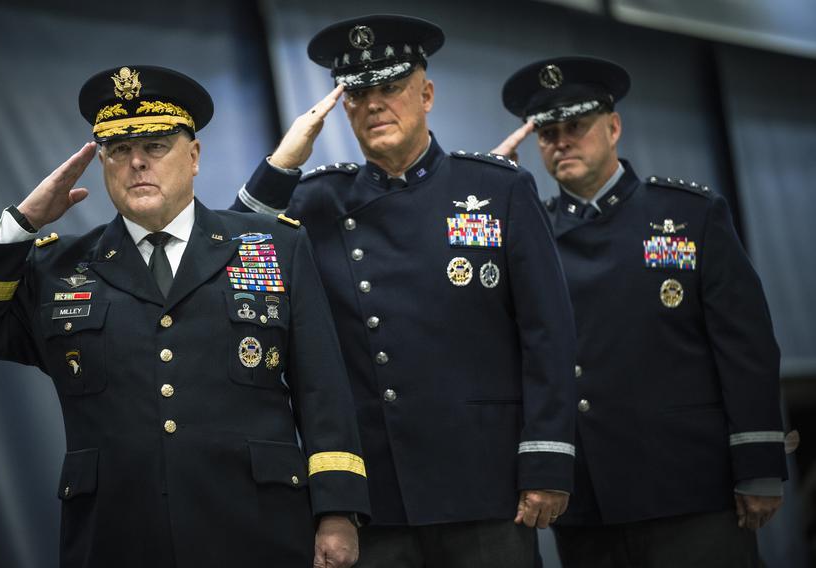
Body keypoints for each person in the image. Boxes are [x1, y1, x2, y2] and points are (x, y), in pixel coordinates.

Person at [0, 65, 369, 568]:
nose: (137, 162)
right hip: (117, 534)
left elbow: (324, 392)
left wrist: (339, 512)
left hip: (255, 527)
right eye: (118, 150)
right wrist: (22, 224)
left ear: (195, 155)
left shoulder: (274, 247)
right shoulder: (58, 265)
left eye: (156, 145)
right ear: (101, 162)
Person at [232, 15, 577, 567]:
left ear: (427, 93)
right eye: (358, 93)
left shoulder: (496, 189)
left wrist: (548, 461)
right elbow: (234, 261)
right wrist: (282, 164)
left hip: (485, 484)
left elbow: (548, 335)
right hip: (376, 493)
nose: (374, 104)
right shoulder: (317, 200)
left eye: (391, 87)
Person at [493, 56, 788, 567]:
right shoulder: (524, 232)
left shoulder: (688, 214)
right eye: (547, 133)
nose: (561, 141)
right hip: (587, 493)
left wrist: (760, 463)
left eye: (576, 125)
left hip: (690, 484)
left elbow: (746, 347)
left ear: (613, 127)